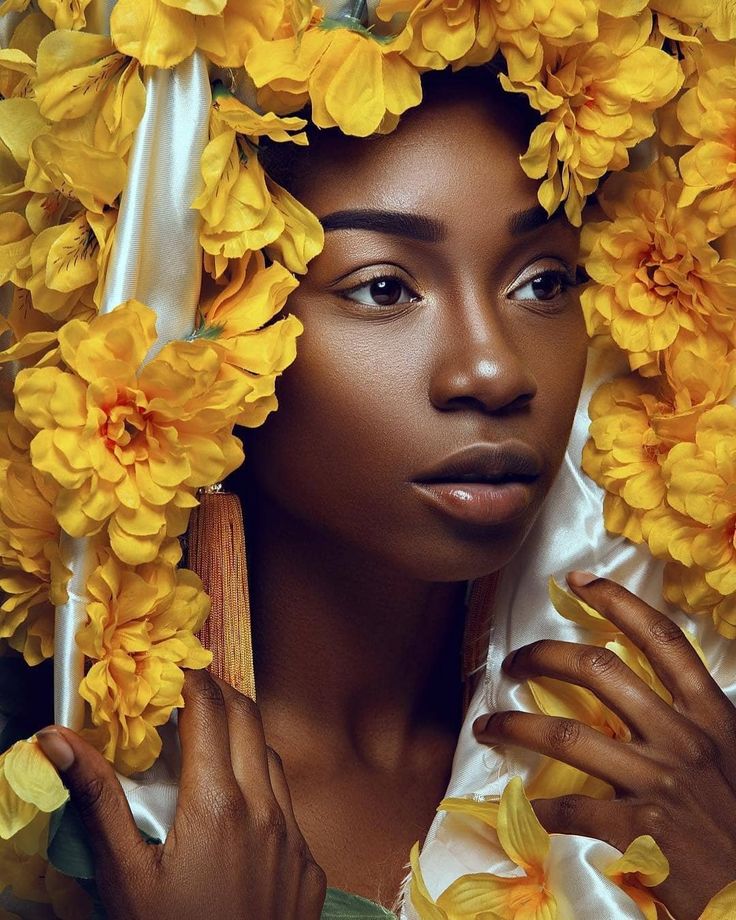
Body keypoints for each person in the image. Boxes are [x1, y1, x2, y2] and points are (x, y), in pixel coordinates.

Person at [27, 61, 736, 920]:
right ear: (202, 341)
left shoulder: (672, 787)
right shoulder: (69, 806)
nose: (492, 369)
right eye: (385, 288)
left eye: (543, 282)